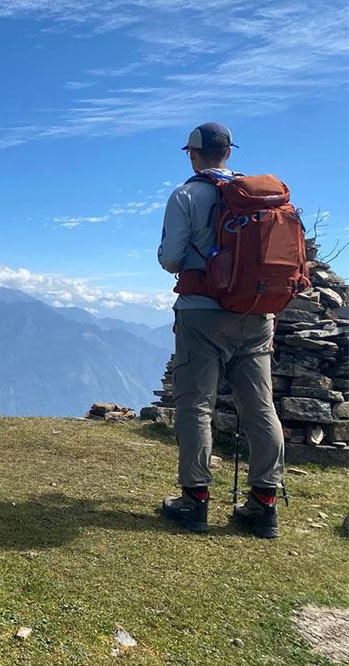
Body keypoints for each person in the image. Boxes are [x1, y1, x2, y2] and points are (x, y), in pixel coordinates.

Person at [157, 123, 285, 539]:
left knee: (196, 404)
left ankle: (194, 502)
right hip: (257, 312)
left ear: (192, 153)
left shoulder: (187, 195)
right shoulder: (260, 197)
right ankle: (264, 504)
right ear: (228, 153)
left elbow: (172, 259)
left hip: (202, 314)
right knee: (260, 406)